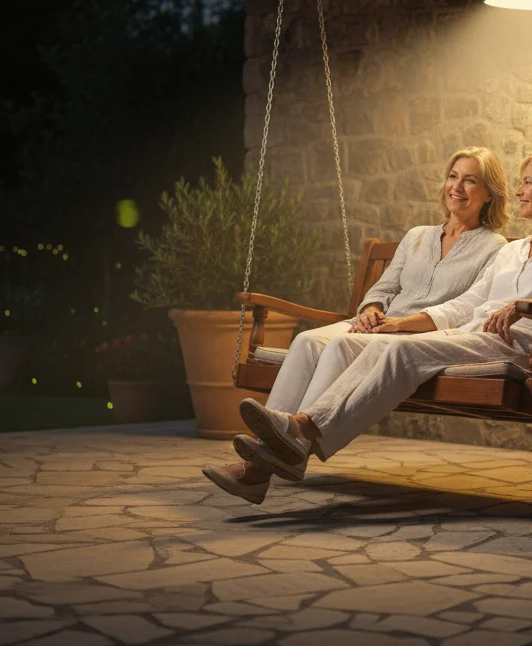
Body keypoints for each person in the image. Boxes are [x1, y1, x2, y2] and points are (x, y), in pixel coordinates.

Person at [232, 149, 532, 497]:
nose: (521, 190)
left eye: (529, 182)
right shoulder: (514, 249)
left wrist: (526, 306)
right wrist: (405, 323)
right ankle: (286, 443)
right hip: (472, 336)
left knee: (402, 354)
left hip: (521, 347)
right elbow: (471, 301)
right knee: (368, 343)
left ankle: (301, 429)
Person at [202, 146, 510, 503]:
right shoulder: (418, 236)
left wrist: (401, 324)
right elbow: (385, 286)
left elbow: (465, 307)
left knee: (338, 345)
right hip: (376, 326)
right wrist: (372, 309)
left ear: (488, 193)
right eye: (453, 176)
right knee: (306, 341)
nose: (457, 186)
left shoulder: (494, 246)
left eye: (471, 180)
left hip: (417, 336)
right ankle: (280, 447)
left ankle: (266, 462)